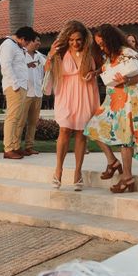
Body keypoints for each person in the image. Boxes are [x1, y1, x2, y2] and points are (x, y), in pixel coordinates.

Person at [85, 25, 138, 193]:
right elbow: (109, 70)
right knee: (92, 128)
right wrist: (96, 73)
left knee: (125, 137)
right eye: (98, 45)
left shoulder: (127, 53)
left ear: (111, 39)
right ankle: (113, 162)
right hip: (113, 98)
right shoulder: (109, 55)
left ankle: (127, 178)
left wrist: (124, 80)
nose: (101, 47)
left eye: (102, 43)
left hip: (128, 97)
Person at [44, 21, 99, 191]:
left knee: (81, 133)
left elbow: (102, 68)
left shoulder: (91, 52)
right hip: (65, 93)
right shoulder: (60, 52)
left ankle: (77, 173)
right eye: (72, 40)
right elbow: (47, 70)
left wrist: (93, 73)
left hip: (84, 92)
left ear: (84, 39)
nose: (75, 43)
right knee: (64, 130)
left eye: (79, 40)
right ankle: (58, 170)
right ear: (67, 39)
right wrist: (50, 55)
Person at [0, 26, 38, 159]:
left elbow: (18, 66)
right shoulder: (8, 45)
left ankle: (15, 146)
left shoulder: (18, 47)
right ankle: (8, 148)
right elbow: (6, 66)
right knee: (12, 118)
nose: (27, 45)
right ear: (22, 38)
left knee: (19, 118)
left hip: (21, 86)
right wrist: (15, 85)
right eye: (27, 42)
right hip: (14, 87)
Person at [20, 35, 45, 155]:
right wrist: (27, 66)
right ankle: (15, 146)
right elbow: (15, 69)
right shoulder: (21, 54)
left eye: (39, 41)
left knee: (33, 122)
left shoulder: (40, 56)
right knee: (20, 121)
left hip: (38, 93)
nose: (39, 43)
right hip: (25, 92)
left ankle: (29, 147)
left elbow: (48, 68)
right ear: (30, 41)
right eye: (37, 40)